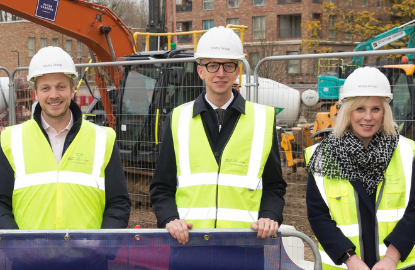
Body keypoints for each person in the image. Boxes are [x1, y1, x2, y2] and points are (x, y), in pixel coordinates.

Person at [150, 26, 286, 245]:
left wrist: (270, 214)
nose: (220, 73)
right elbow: (161, 187)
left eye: (228, 65)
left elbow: (274, 186)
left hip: (245, 245)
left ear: (237, 70)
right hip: (188, 246)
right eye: (212, 65)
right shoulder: (178, 118)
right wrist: (170, 218)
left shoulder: (262, 118)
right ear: (201, 70)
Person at [0, 46, 131, 229]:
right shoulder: (11, 140)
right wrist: (17, 247)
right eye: (46, 88)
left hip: (88, 256)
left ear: (72, 90)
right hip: (30, 257)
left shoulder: (103, 139)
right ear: (35, 93)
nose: (54, 95)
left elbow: (118, 203)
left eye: (61, 87)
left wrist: (100, 248)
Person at [306, 67, 415, 269]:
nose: (368, 117)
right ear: (348, 112)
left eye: (375, 109)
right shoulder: (325, 154)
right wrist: (350, 259)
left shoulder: (407, 152)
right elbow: (318, 215)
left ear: (384, 112)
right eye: (360, 109)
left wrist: (391, 257)